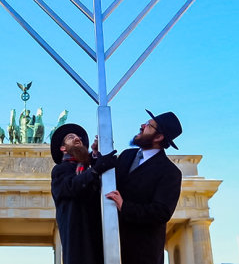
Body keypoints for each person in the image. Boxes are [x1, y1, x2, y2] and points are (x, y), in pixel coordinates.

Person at [105, 110, 183, 264]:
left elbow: (161, 212)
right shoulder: (127, 155)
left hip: (142, 253)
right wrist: (95, 154)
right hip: (112, 246)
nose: (142, 126)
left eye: (149, 125)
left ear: (159, 137)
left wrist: (125, 206)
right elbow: (107, 176)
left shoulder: (170, 172)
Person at [50, 123, 117, 264]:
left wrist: (97, 153)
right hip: (78, 240)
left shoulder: (89, 168)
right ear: (63, 148)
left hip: (99, 237)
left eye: (79, 137)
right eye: (70, 137)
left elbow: (95, 171)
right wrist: (95, 169)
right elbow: (73, 186)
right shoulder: (60, 170)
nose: (77, 138)